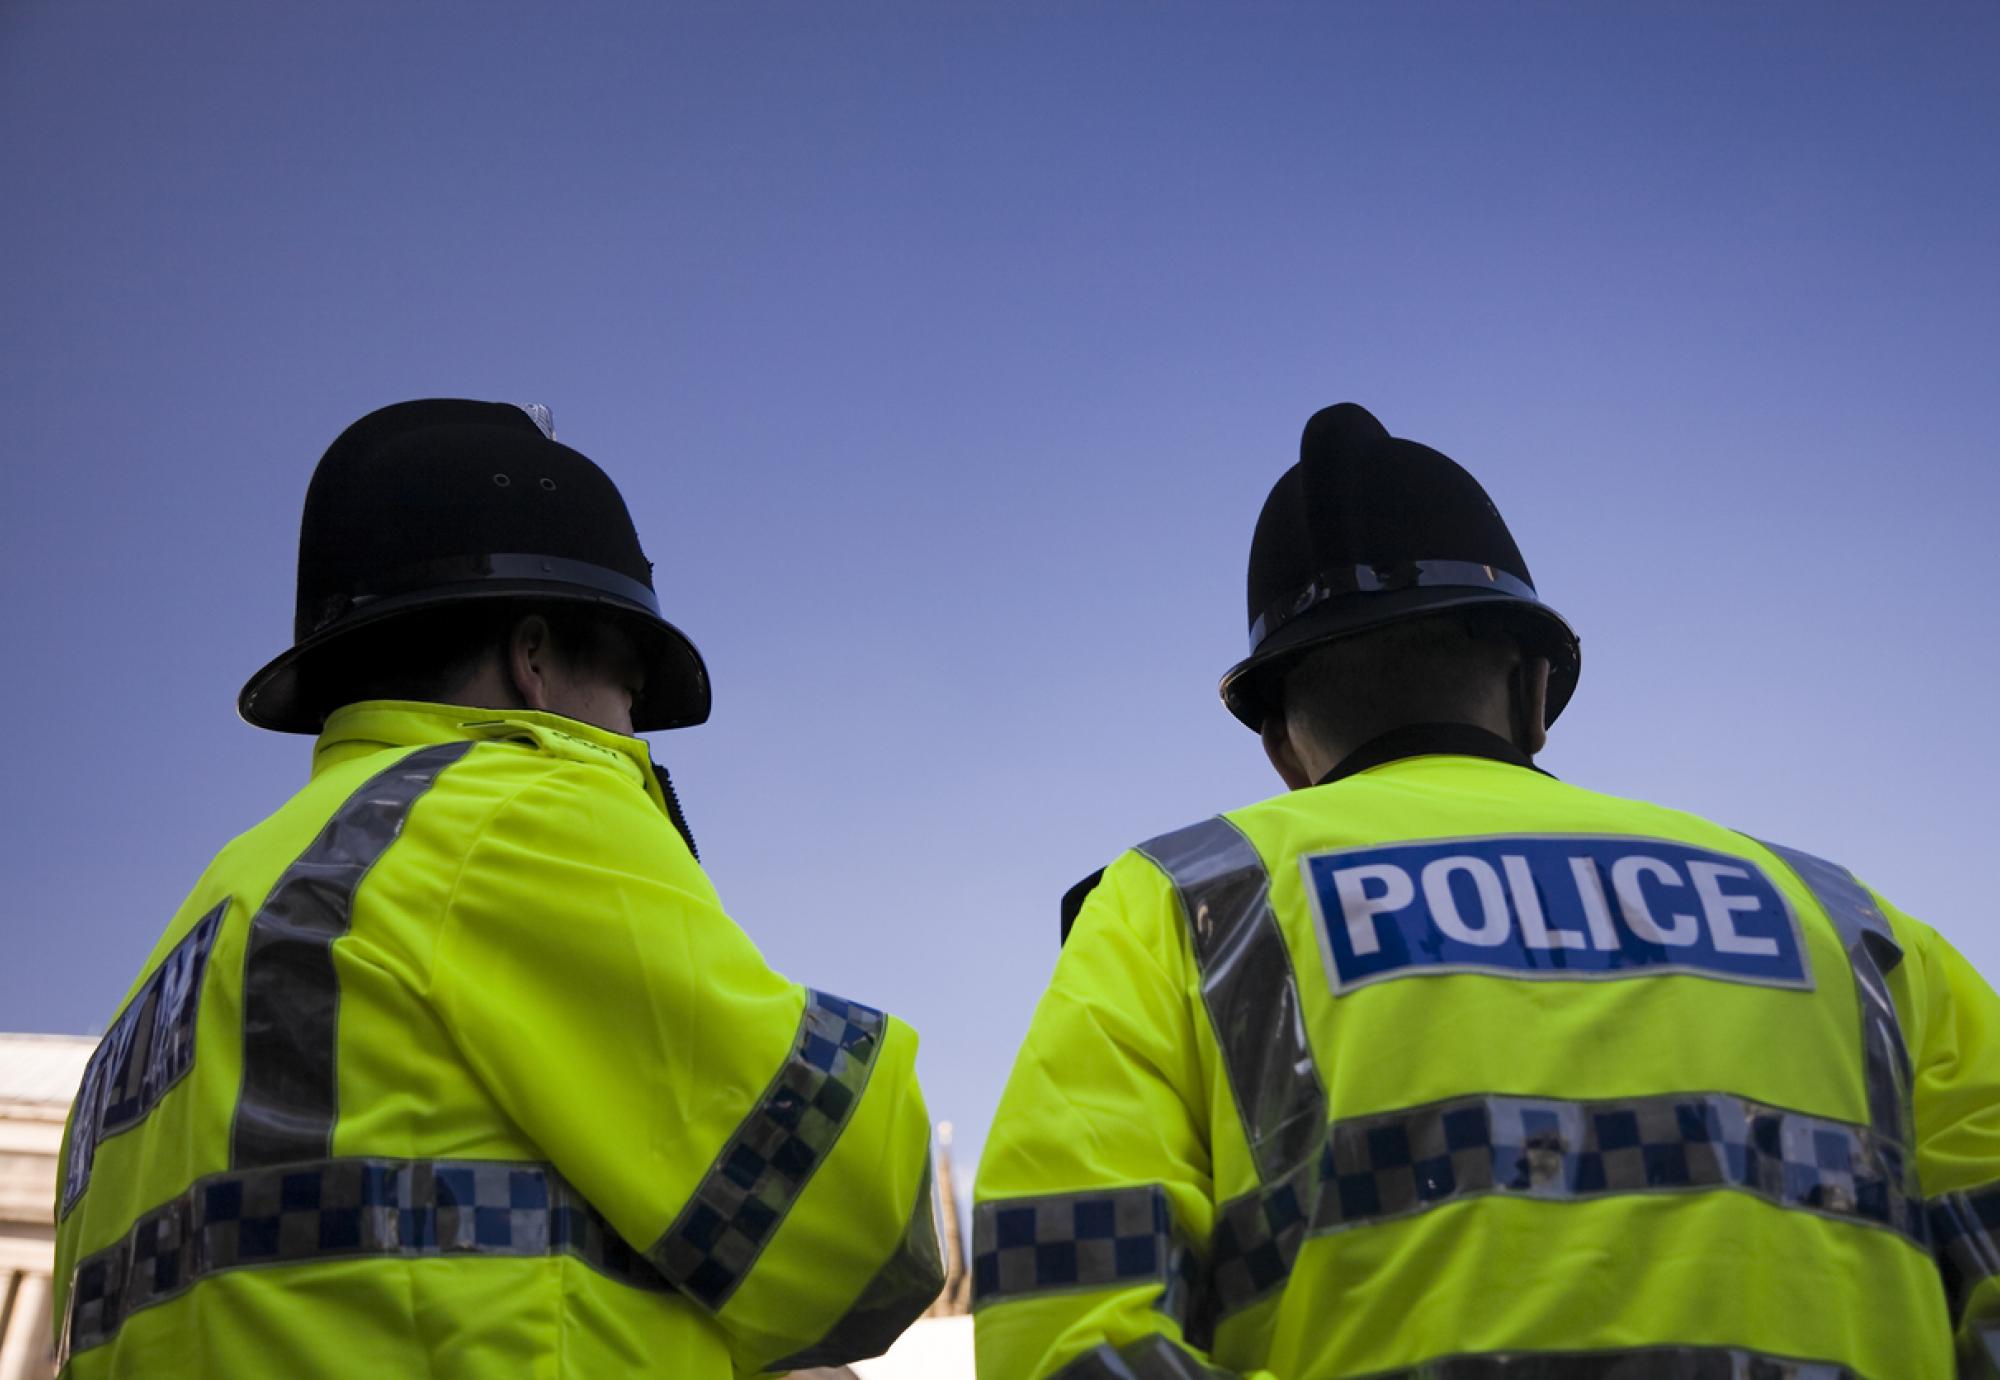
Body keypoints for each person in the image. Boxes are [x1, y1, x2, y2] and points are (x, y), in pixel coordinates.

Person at [972, 402, 2000, 1379]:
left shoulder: (1181, 904)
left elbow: (1066, 1324)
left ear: (1281, 742)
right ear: (1534, 689)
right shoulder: (1848, 921)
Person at [52, 400, 943, 1377]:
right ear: (535, 660)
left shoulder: (197, 942)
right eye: (629, 694)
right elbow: (857, 1227)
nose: (633, 735)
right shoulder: (506, 814)